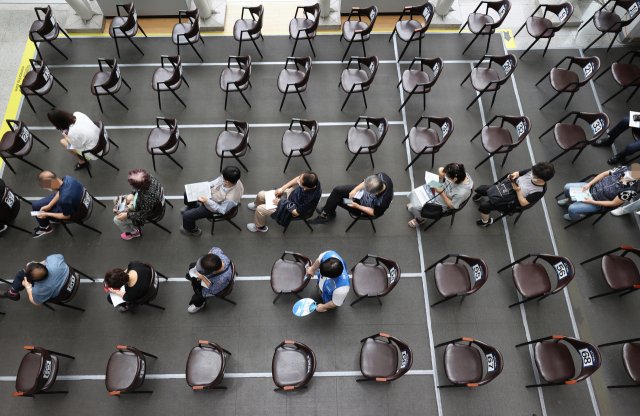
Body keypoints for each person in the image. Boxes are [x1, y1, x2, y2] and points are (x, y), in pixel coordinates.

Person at [472, 162, 555, 227]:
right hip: (508, 186)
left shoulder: (539, 191)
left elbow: (523, 203)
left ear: (542, 179)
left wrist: (518, 190)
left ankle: (486, 222)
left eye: (534, 176)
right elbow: (518, 173)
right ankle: (482, 194)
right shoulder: (535, 171)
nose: (532, 175)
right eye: (533, 172)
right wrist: (512, 175)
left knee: (484, 206)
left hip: (513, 200)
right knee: (480, 189)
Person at [246, 172, 321, 233]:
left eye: (300, 181)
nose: (298, 180)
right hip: (291, 195)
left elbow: (297, 212)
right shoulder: (313, 181)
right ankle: (257, 204)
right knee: (260, 195)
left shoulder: (310, 199)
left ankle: (260, 227)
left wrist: (281, 202)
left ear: (303, 186)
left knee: (260, 209)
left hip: (291, 207)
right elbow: (298, 178)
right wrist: (283, 188)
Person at [558, 165, 640, 221]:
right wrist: (589, 184)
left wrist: (592, 202)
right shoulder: (624, 168)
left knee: (572, 209)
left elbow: (613, 203)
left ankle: (577, 217)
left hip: (596, 201)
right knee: (567, 187)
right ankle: (569, 199)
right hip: (591, 188)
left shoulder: (630, 191)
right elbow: (604, 174)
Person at [180, 166, 244, 236]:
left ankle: (193, 230)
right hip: (210, 196)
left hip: (211, 208)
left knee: (187, 216)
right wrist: (206, 186)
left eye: (223, 177)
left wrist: (207, 201)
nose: (221, 177)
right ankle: (193, 206)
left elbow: (222, 210)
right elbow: (217, 181)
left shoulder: (231, 199)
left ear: (227, 181)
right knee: (187, 193)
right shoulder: (233, 178)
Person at [407, 163, 474, 228]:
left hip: (443, 201)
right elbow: (443, 172)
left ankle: (421, 218)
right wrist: (441, 171)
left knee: (416, 206)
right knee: (415, 192)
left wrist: (441, 193)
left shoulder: (462, 193)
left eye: (447, 176)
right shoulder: (459, 173)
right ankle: (415, 205)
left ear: (455, 179)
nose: (446, 177)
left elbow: (452, 206)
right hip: (441, 188)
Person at [311, 173, 394, 224]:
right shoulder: (382, 176)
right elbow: (366, 182)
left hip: (361, 205)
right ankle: (328, 211)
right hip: (359, 194)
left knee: (339, 200)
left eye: (367, 190)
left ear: (376, 193)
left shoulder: (383, 202)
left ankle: (327, 212)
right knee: (337, 190)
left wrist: (356, 206)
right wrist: (355, 190)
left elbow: (375, 213)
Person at [31, 171, 84, 238]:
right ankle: (50, 222)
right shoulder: (67, 178)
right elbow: (60, 192)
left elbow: (67, 216)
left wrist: (47, 214)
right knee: (36, 205)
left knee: (43, 211)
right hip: (70, 196)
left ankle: (45, 227)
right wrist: (49, 206)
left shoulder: (64, 200)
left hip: (72, 207)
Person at [0, 255, 70, 306]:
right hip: (70, 278)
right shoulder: (54, 261)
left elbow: (36, 302)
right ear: (45, 265)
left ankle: (12, 293)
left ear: (32, 281)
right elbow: (59, 256)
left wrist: (28, 287)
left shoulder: (38, 290)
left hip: (62, 294)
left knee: (21, 274)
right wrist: (38, 265)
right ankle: (12, 293)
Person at [113, 169, 162, 240]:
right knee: (117, 200)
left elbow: (142, 214)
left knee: (117, 220)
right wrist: (132, 194)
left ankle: (134, 233)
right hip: (139, 200)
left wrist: (127, 215)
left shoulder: (147, 199)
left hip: (142, 208)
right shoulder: (149, 177)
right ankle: (122, 209)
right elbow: (138, 187)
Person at [185, 247, 233, 313]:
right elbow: (211, 251)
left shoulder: (221, 280)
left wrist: (203, 278)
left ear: (213, 272)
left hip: (216, 286)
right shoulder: (217, 253)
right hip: (216, 278)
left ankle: (200, 305)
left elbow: (214, 291)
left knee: (196, 298)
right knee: (192, 265)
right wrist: (197, 266)